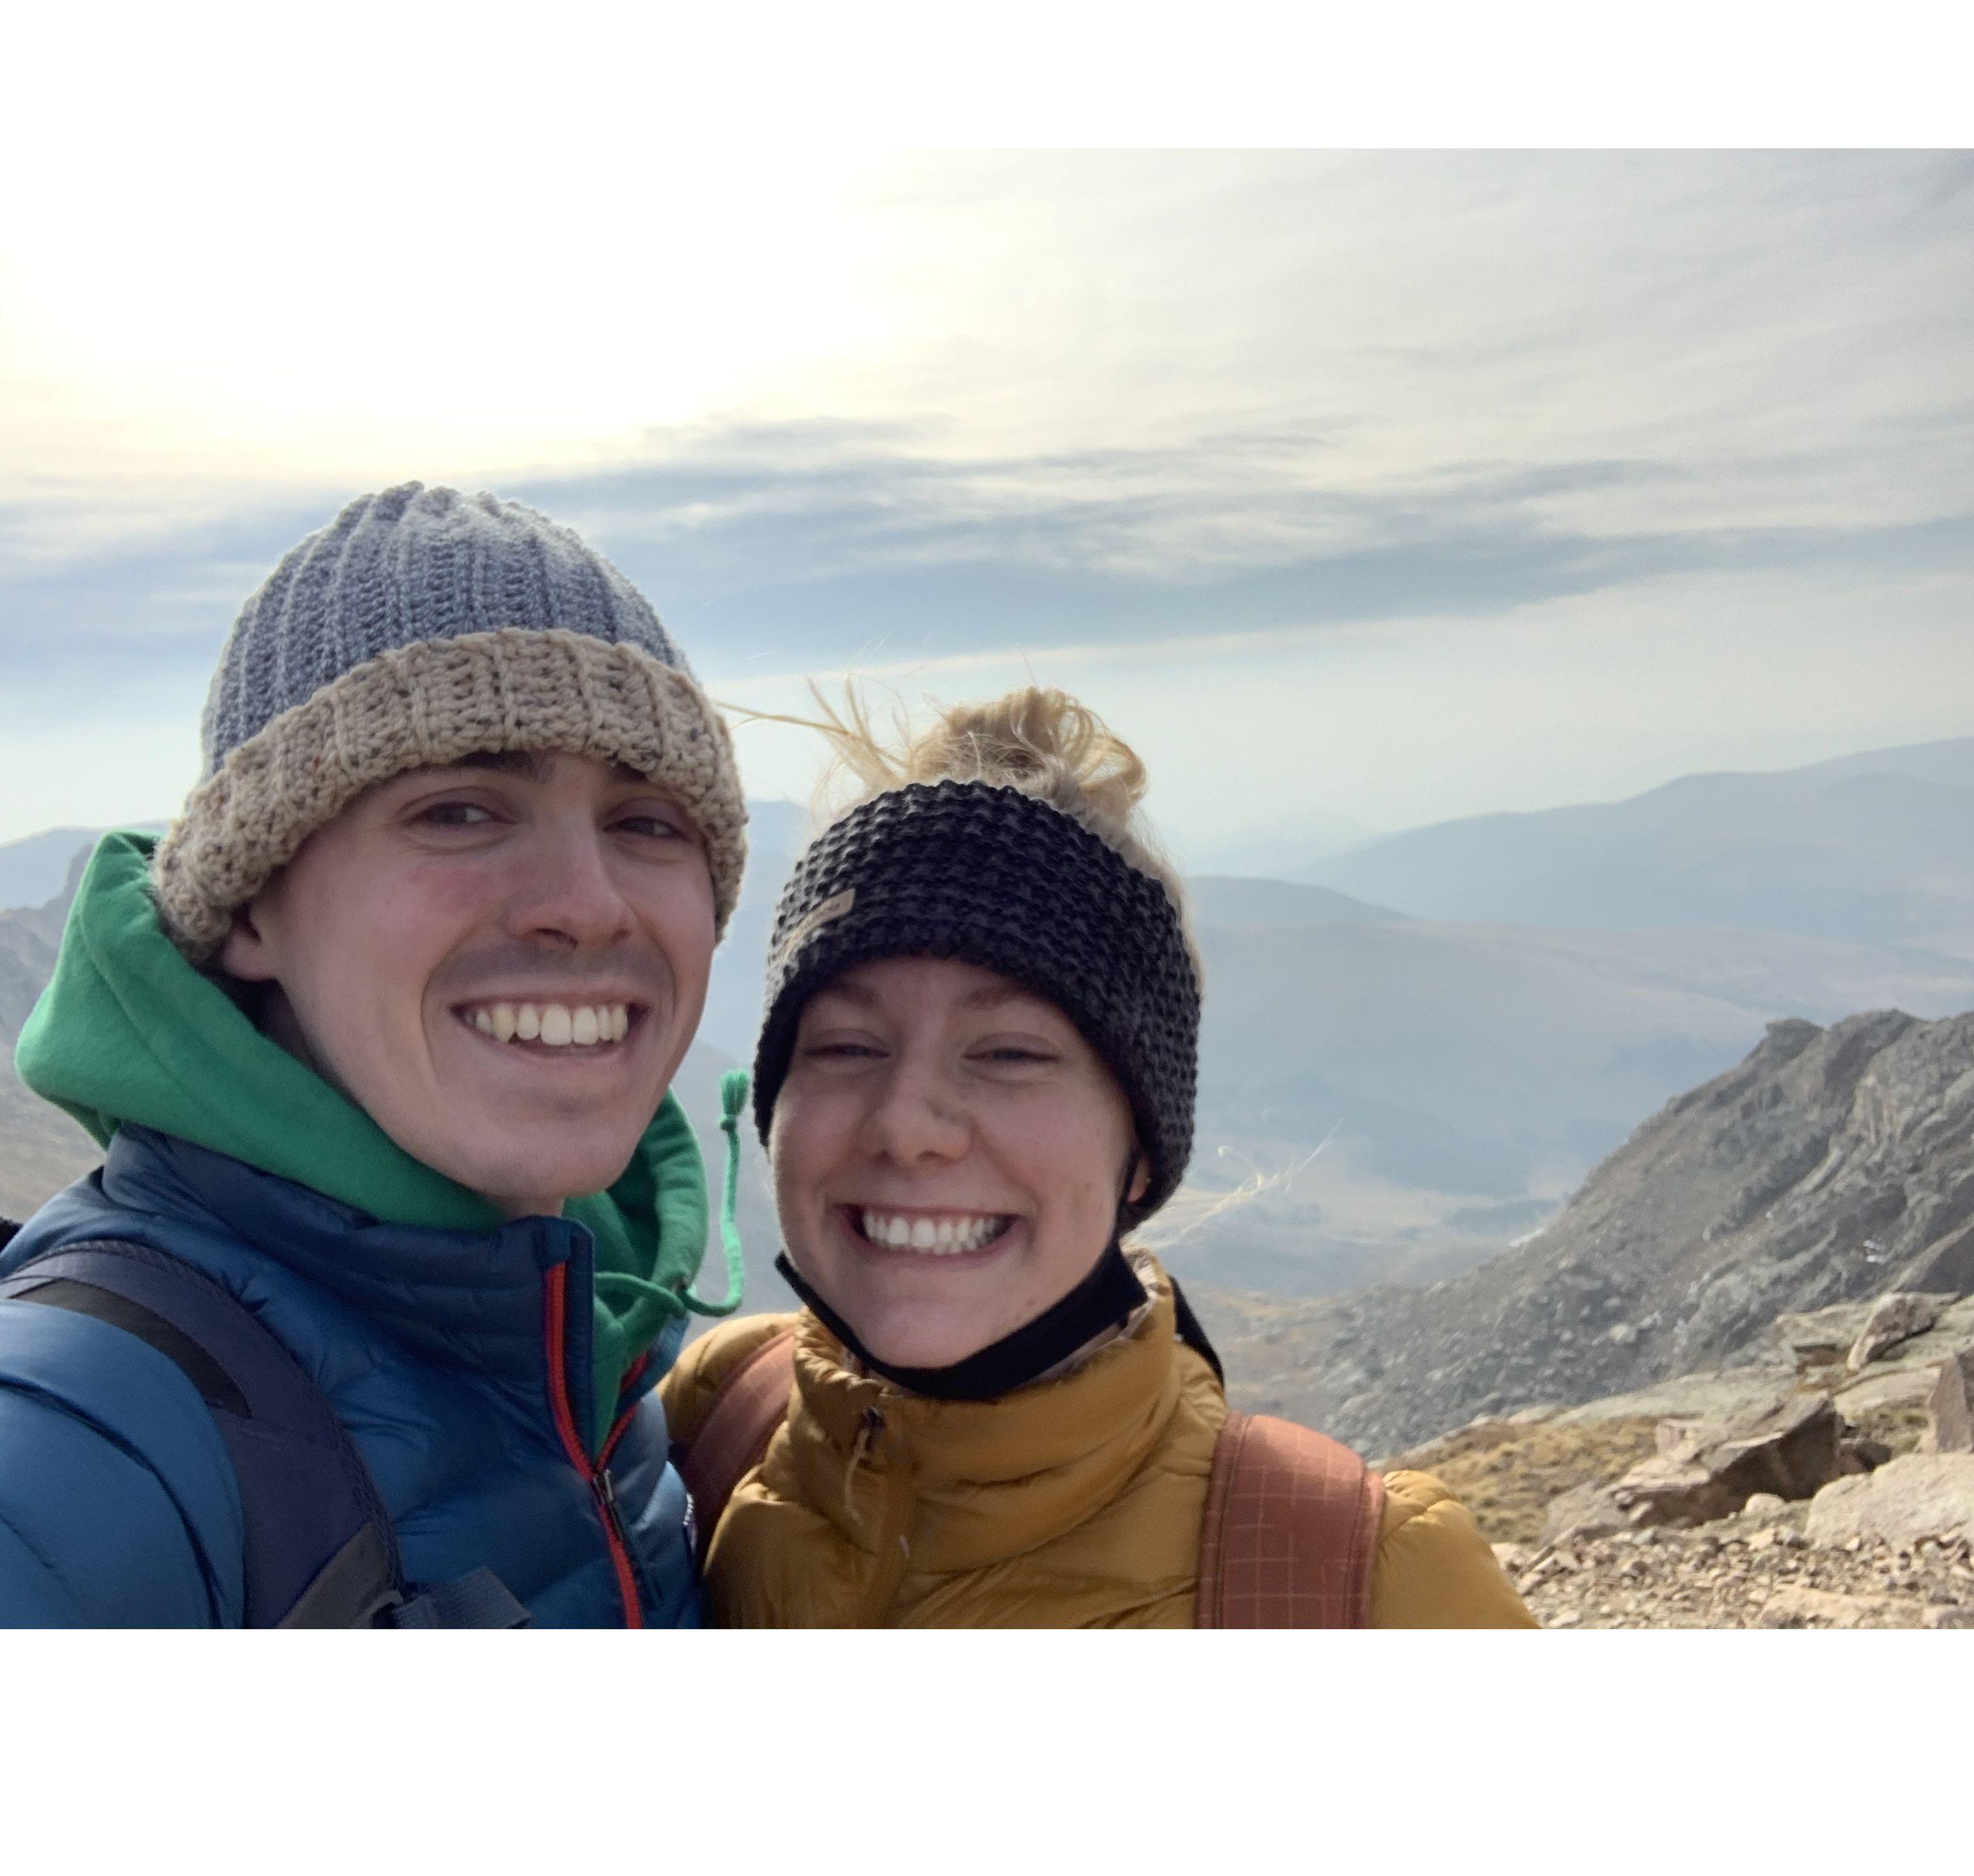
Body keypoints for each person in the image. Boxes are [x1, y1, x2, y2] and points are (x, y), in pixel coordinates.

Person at [0, 482, 748, 1627]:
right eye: (460, 809)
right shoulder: (80, 1444)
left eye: (648, 823)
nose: (589, 906)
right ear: (252, 910)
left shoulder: (596, 1358)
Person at [663, 687, 1535, 1627]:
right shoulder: (716, 1416)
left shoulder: (1366, 1583)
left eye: (1008, 1054)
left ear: (1141, 1156)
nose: (907, 1126)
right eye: (844, 1046)